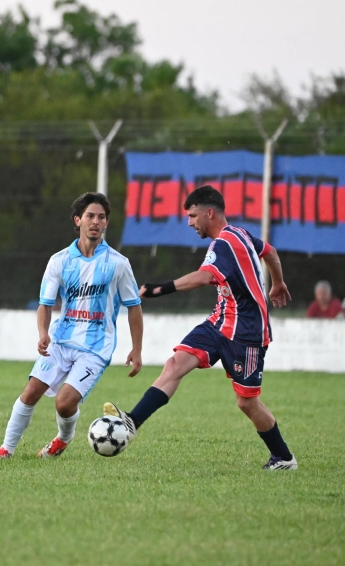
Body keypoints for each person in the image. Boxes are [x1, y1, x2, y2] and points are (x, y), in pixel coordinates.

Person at [103, 185, 297, 470]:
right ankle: (132, 421)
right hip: (220, 321)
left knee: (246, 403)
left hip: (247, 332)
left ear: (210, 213)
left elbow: (204, 277)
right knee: (175, 363)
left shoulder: (224, 243)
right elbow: (270, 251)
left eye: (193, 216)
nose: (190, 222)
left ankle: (284, 458)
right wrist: (277, 282)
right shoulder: (239, 234)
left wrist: (160, 288)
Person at [0, 192, 143, 460]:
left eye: (101, 217)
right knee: (31, 392)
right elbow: (45, 304)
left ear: (107, 223)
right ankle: (6, 449)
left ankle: (63, 438)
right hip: (60, 340)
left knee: (64, 402)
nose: (95, 222)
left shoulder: (118, 263)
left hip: (95, 347)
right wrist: (43, 333)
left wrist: (136, 349)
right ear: (77, 220)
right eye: (90, 216)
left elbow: (134, 306)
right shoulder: (59, 260)